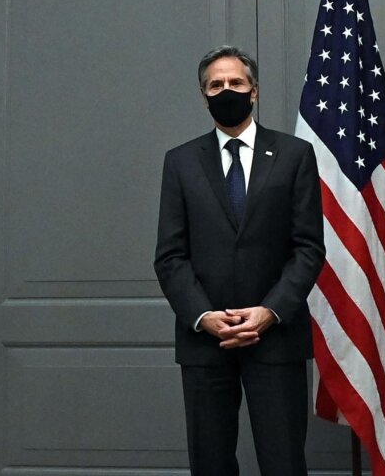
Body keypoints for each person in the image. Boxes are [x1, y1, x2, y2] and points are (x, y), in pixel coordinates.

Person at [155, 45, 325, 476]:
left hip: (276, 337)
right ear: (203, 95)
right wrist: (203, 316)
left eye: (235, 82)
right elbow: (170, 255)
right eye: (215, 85)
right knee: (210, 463)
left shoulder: (294, 155)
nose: (225, 90)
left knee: (284, 461)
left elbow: (308, 248)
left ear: (254, 92)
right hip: (205, 342)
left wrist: (269, 312)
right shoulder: (180, 162)